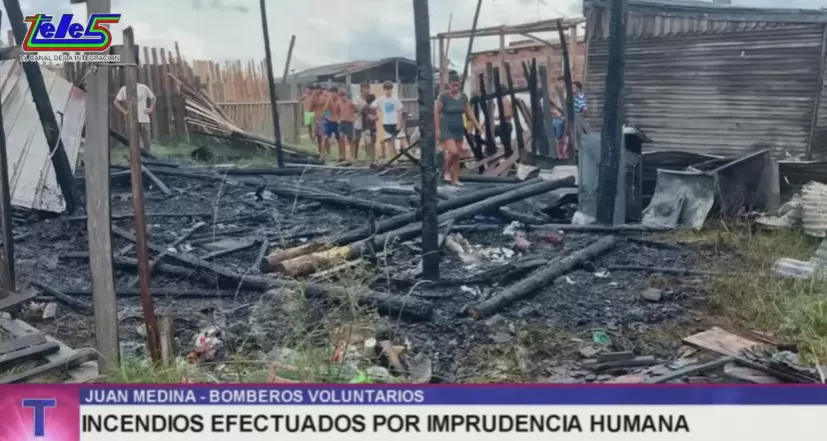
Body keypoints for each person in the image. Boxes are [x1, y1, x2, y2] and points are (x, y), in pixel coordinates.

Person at [435, 71, 483, 185]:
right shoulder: (444, 97)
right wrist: (437, 129)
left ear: (459, 84)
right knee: (453, 151)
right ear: (449, 84)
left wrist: (477, 126)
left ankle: (455, 179)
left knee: (458, 155)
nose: (455, 87)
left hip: (458, 127)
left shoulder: (463, 97)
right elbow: (436, 113)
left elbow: (469, 112)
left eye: (457, 85)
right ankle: (446, 170)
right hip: (446, 126)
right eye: (453, 85)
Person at [114, 82, 156, 153]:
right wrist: (125, 112)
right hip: (132, 119)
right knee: (135, 141)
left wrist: (150, 109)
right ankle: (137, 158)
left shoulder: (143, 87)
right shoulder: (124, 89)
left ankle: (148, 157)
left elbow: (153, 98)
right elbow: (116, 102)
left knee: (147, 141)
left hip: (144, 119)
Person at [374, 81, 405, 160]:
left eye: (390, 89)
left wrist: (399, 123)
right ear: (384, 89)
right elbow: (373, 105)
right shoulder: (381, 99)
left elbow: (400, 111)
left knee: (403, 138)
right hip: (387, 123)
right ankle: (393, 159)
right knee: (390, 142)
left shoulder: (395, 99)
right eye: (387, 89)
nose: (388, 91)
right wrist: (380, 110)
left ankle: (409, 155)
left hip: (395, 122)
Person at [351, 82, 370, 160]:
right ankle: (354, 157)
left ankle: (368, 157)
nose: (368, 90)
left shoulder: (368, 99)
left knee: (368, 140)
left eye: (368, 89)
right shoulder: (356, 98)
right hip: (358, 121)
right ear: (362, 89)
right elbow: (355, 109)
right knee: (356, 140)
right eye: (366, 89)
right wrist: (362, 109)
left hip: (366, 122)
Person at [336, 89, 357, 161]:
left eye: (343, 95)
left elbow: (358, 110)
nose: (342, 97)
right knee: (341, 137)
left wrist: (354, 118)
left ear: (346, 95)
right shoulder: (338, 103)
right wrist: (338, 119)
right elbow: (337, 112)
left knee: (350, 140)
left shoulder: (350, 103)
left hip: (349, 122)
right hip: (342, 122)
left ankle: (352, 156)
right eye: (341, 96)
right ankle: (343, 155)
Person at [321, 87, 341, 159]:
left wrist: (340, 119)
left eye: (334, 92)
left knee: (340, 139)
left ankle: (340, 155)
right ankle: (322, 155)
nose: (332, 94)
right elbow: (325, 109)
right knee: (325, 137)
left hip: (338, 122)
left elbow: (341, 110)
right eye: (331, 93)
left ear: (336, 93)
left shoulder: (340, 99)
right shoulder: (329, 99)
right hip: (330, 121)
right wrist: (325, 117)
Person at [310, 86, 327, 157]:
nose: (316, 91)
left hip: (322, 118)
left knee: (323, 135)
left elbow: (327, 108)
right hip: (316, 118)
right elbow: (311, 108)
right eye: (315, 90)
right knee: (318, 136)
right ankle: (319, 151)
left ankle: (323, 152)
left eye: (317, 89)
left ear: (319, 90)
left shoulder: (324, 98)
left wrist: (326, 116)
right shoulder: (312, 98)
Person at [362, 93, 379, 164]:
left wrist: (375, 117)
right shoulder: (366, 107)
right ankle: (369, 159)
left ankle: (372, 160)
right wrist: (376, 116)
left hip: (373, 127)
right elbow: (371, 118)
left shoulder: (373, 108)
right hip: (367, 128)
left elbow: (376, 118)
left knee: (373, 144)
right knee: (368, 143)